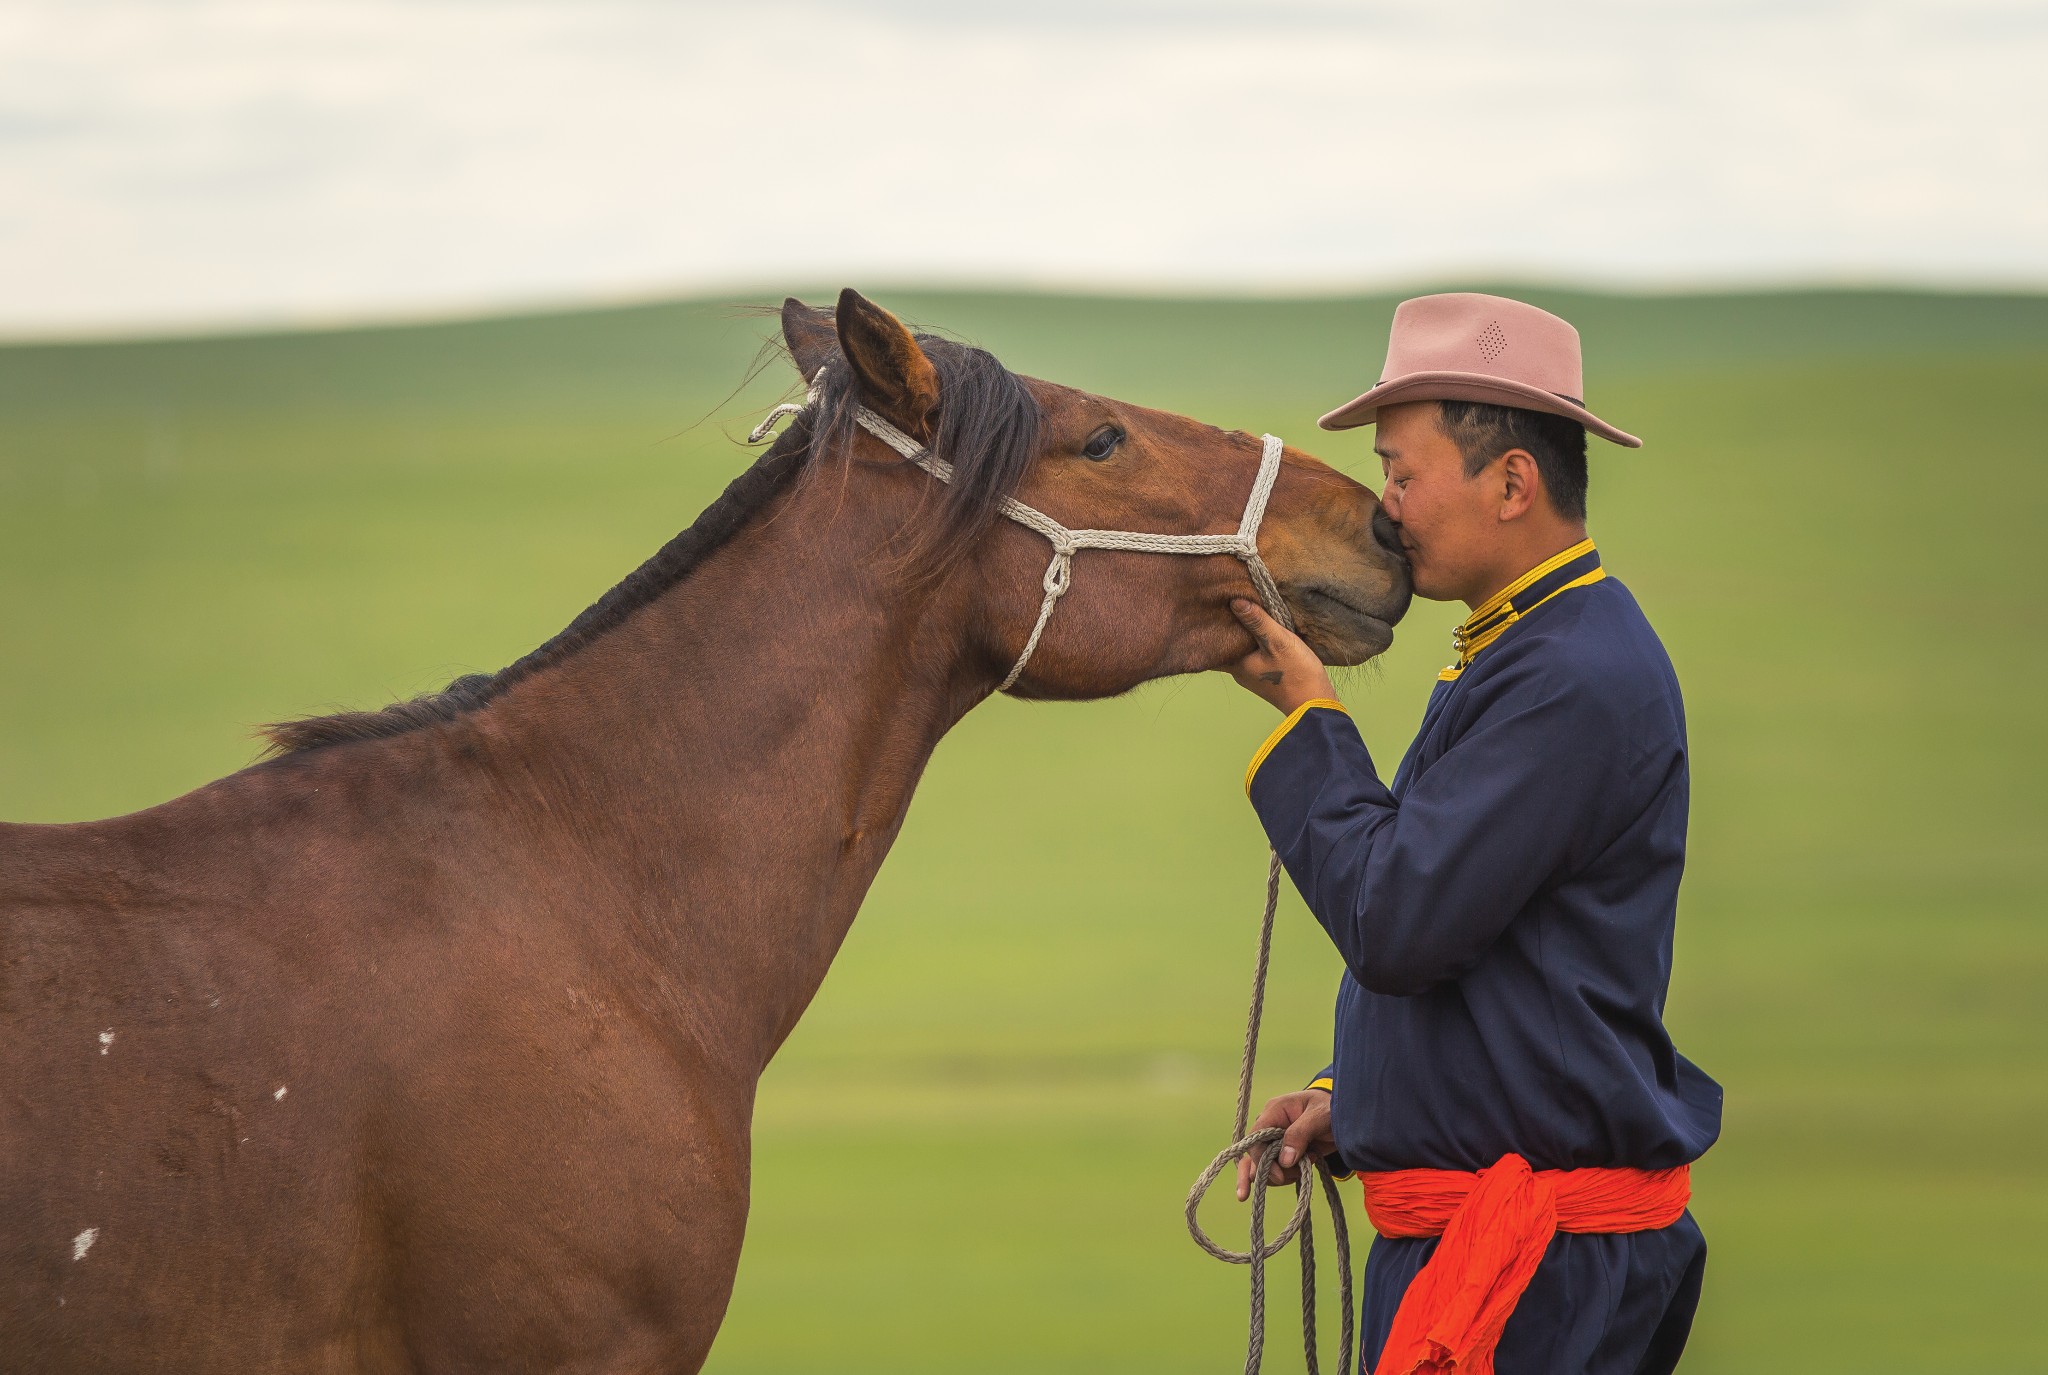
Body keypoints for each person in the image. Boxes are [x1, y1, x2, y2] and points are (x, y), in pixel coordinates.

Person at [1223, 293, 1722, 1375]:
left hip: (1529, 1272)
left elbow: (1398, 920)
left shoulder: (1569, 677)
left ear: (1509, 482)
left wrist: (1314, 731)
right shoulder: (1532, 649)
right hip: (1496, 1252)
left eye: (1401, 472)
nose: (1385, 506)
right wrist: (1351, 1099)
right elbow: (1504, 962)